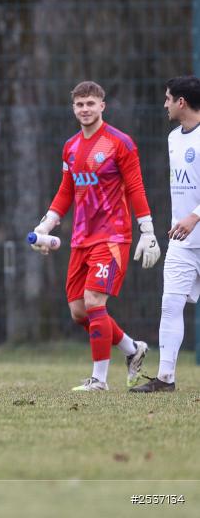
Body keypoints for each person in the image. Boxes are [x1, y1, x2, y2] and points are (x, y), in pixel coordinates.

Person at [31, 81, 158, 391]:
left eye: (90, 103)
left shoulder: (120, 143)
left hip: (113, 237)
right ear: (73, 108)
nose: (85, 109)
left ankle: (99, 381)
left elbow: (136, 187)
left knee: (93, 301)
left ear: (103, 105)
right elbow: (66, 191)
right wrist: (45, 226)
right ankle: (132, 348)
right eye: (79, 105)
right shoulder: (71, 147)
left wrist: (148, 230)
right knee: (78, 310)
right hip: (80, 238)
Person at [131, 76, 200, 392]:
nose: (165, 104)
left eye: (168, 98)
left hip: (192, 228)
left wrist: (195, 216)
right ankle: (165, 378)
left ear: (181, 102)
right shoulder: (174, 138)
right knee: (170, 304)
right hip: (182, 243)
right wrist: (181, 222)